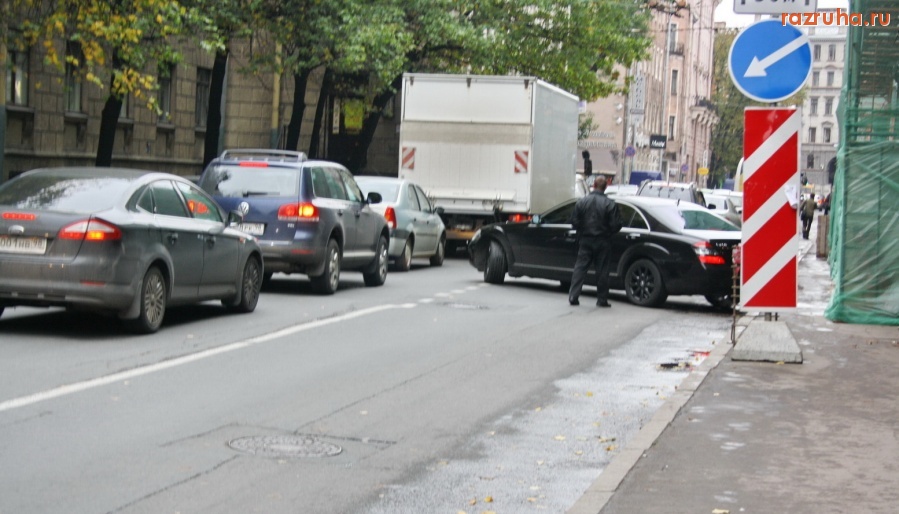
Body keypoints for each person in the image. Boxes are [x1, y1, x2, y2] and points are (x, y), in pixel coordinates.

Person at [568, 175, 622, 307]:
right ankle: (602, 299)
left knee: (580, 268)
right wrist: (608, 232)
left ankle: (573, 296)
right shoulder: (610, 204)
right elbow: (616, 225)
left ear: (593, 186)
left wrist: (582, 230)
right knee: (602, 271)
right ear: (605, 187)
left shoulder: (582, 202)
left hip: (585, 240)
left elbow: (574, 221)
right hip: (603, 241)